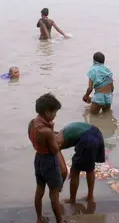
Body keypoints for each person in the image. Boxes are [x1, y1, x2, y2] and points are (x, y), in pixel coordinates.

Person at [29, 93, 67, 223]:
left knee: (39, 190)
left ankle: (39, 218)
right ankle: (59, 221)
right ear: (47, 112)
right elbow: (55, 149)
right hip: (49, 161)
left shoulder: (32, 123)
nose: (55, 115)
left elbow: (35, 140)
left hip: (38, 158)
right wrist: (58, 138)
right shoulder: (47, 131)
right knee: (54, 195)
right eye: (54, 112)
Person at [56, 121, 105, 203]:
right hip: (97, 133)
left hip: (87, 139)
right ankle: (90, 196)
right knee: (90, 168)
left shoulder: (57, 142)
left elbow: (63, 171)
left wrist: (59, 186)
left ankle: (72, 199)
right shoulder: (64, 131)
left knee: (75, 171)